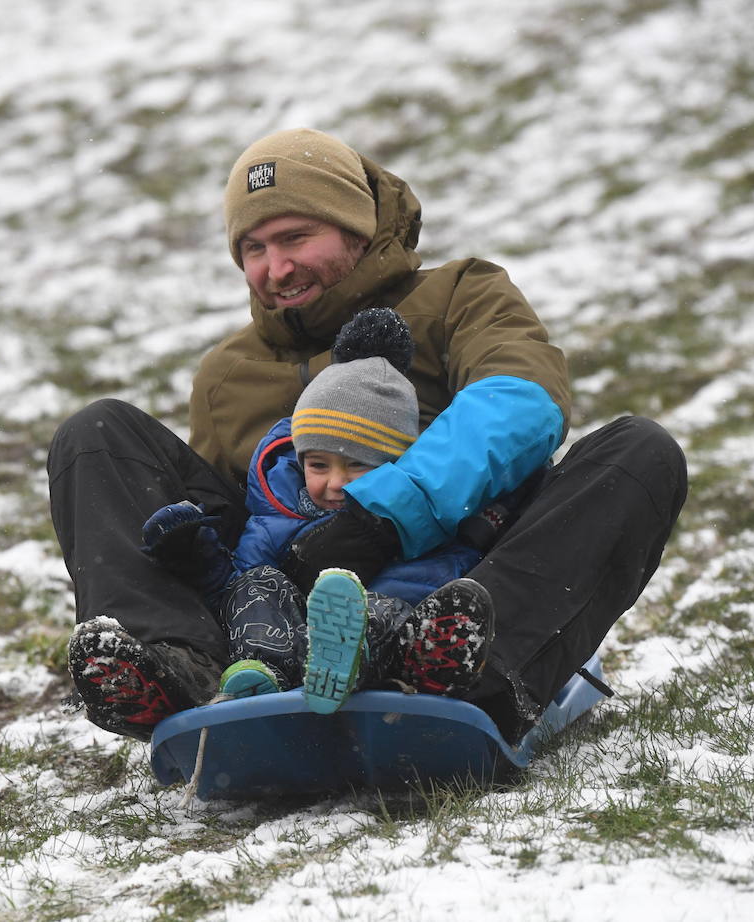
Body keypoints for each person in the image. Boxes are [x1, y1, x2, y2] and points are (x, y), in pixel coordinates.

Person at [49, 127, 688, 743]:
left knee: (639, 453)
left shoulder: (459, 294)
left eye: (296, 236)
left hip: (451, 574)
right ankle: (180, 670)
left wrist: (383, 518)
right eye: (254, 250)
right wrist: (197, 551)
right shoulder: (226, 374)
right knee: (96, 431)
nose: (277, 267)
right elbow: (234, 520)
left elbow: (521, 402)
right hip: (280, 602)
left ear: (357, 226)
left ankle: (455, 668)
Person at [137, 308, 494, 715]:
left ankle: (342, 663)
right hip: (286, 636)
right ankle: (263, 673)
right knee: (258, 584)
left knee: (382, 605)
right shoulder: (276, 515)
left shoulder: (416, 518)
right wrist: (199, 556)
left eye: (359, 465)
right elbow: (234, 585)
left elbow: (452, 563)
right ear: (299, 460)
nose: (335, 483)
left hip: (384, 644)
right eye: (319, 465)